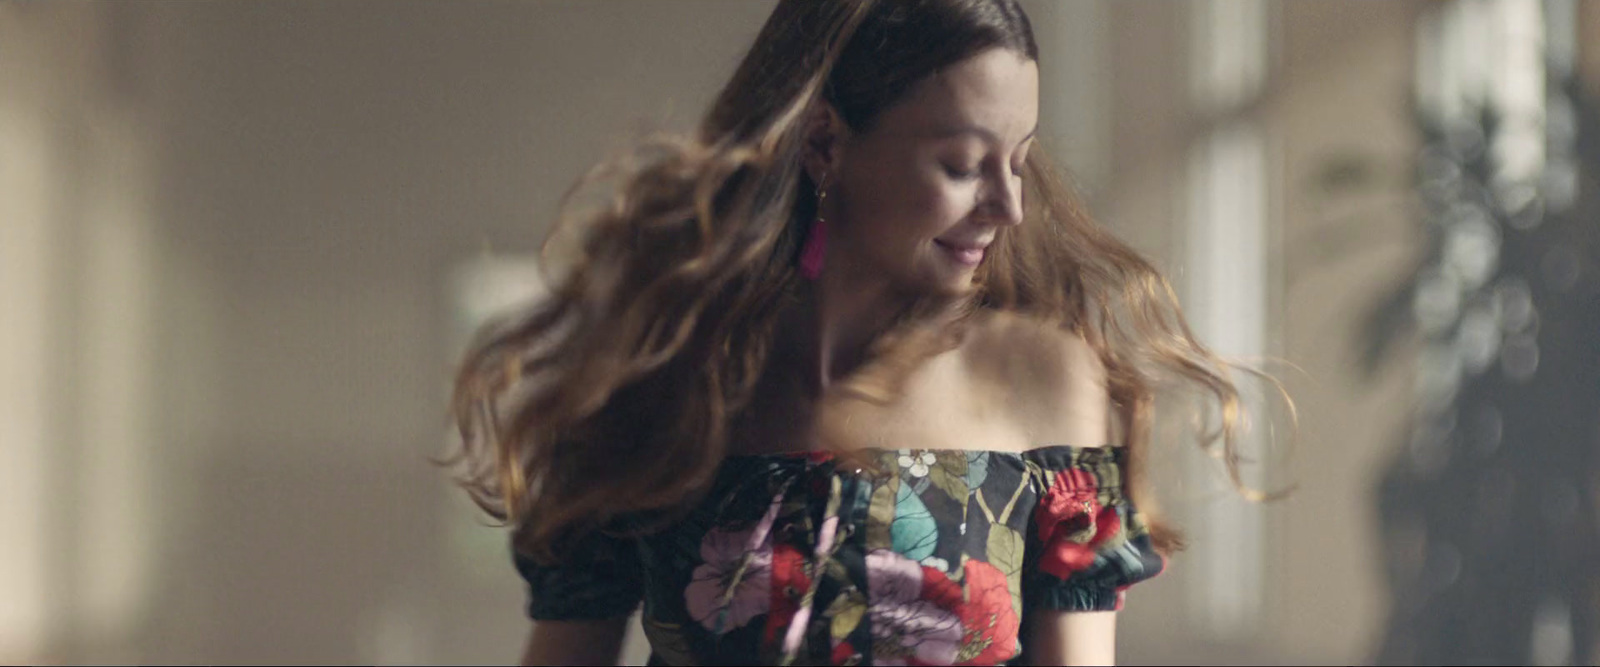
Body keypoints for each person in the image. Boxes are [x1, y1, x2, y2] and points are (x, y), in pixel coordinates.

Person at [448, 0, 1261, 664]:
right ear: (825, 142)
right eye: (961, 163)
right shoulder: (669, 382)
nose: (1008, 206)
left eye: (1017, 160)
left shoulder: (1045, 377)